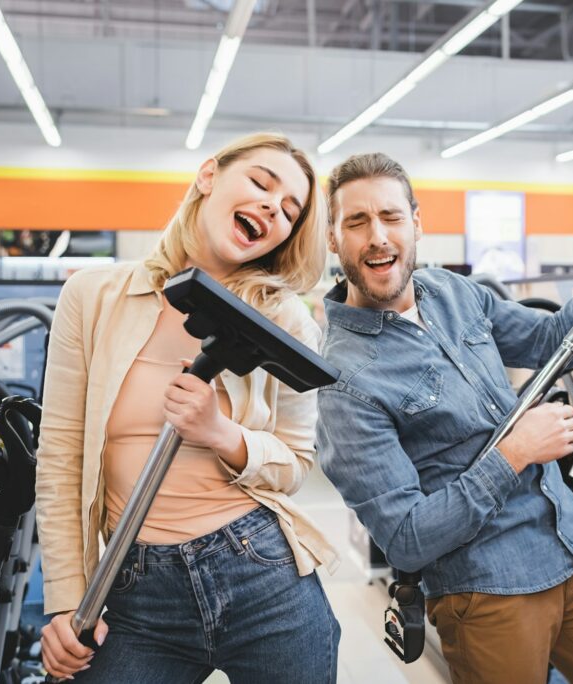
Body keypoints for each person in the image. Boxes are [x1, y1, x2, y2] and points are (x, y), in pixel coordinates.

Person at [316, 153, 573, 684]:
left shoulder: (451, 292)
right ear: (333, 238)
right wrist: (515, 453)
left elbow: (555, 343)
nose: (377, 237)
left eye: (390, 217)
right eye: (357, 222)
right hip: (489, 592)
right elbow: (407, 539)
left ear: (416, 223)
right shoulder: (345, 380)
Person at [35, 133, 340, 683]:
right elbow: (58, 458)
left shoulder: (285, 320)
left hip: (261, 571)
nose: (273, 206)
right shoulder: (92, 296)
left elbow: (295, 464)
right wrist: (64, 602)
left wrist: (221, 432)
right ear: (208, 177)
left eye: (290, 210)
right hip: (136, 584)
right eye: (261, 183)